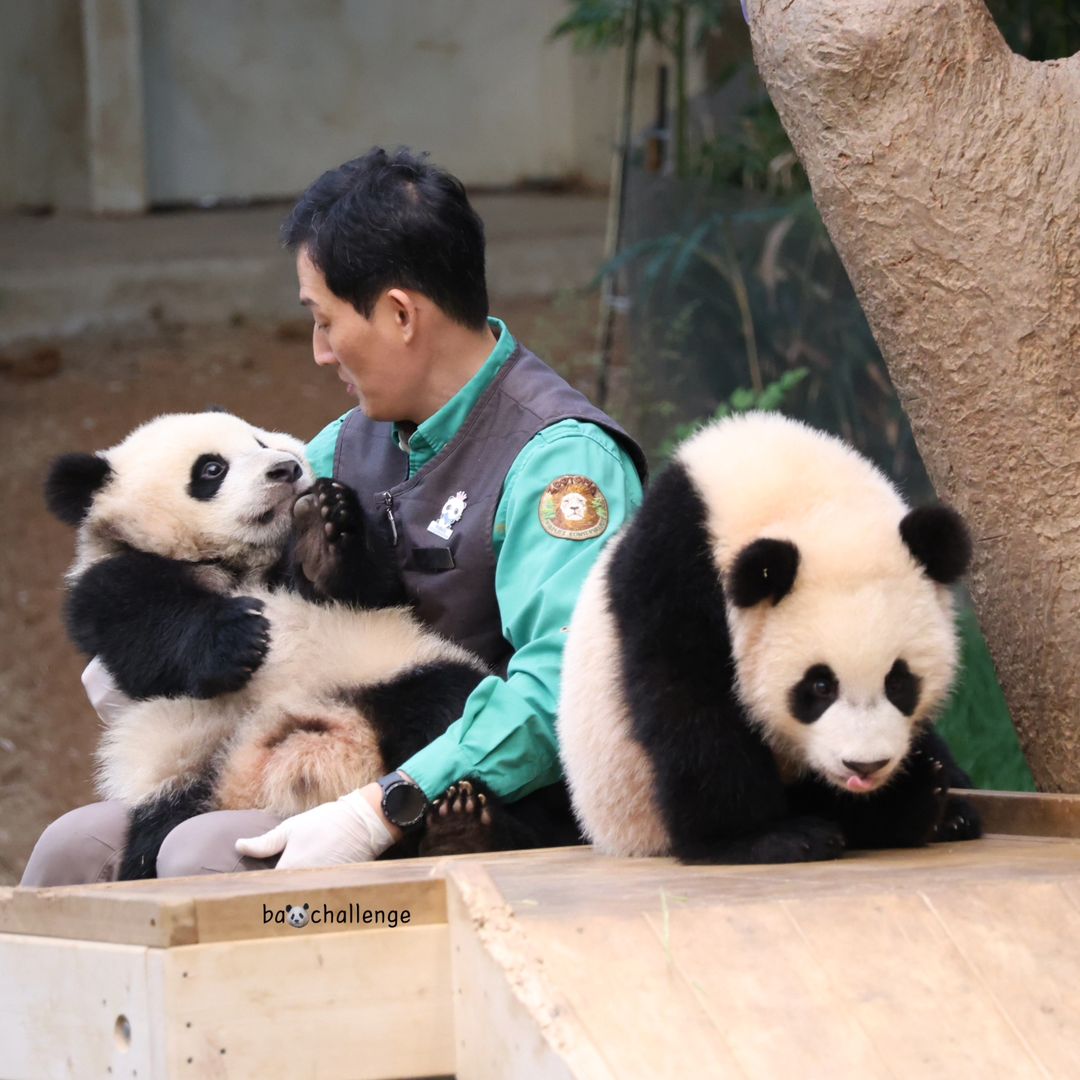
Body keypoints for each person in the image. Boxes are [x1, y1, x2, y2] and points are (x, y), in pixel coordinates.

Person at [20, 147, 646, 885]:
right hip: (301, 754)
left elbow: (562, 695)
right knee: (71, 850)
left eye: (324, 322)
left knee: (197, 858)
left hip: (478, 809)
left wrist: (383, 807)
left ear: (401, 314)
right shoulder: (346, 444)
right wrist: (150, 644)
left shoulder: (559, 465)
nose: (318, 353)